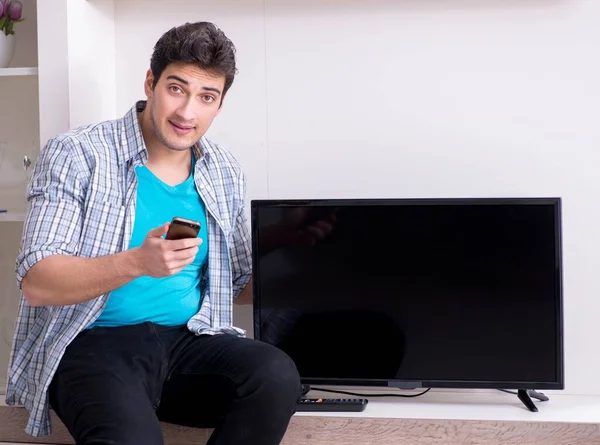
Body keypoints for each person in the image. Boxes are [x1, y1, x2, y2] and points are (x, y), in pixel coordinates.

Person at [5, 21, 302, 445]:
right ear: (151, 82)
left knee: (275, 374)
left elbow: (233, 283)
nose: (187, 112)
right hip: (93, 345)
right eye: (176, 89)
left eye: (206, 97)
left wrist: (292, 258)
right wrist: (136, 262)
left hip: (188, 343)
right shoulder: (79, 153)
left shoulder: (223, 170)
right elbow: (37, 281)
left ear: (219, 105)